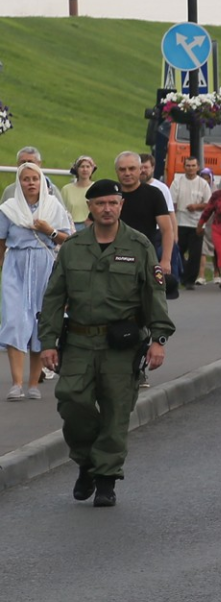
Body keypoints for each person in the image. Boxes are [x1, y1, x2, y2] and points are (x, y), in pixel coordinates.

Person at [38, 179, 174, 507]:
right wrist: (48, 341)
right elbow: (54, 297)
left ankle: (105, 480)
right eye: (101, 204)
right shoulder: (73, 247)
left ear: (121, 206)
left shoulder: (139, 246)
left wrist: (158, 339)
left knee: (115, 412)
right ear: (91, 208)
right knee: (72, 402)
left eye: (113, 203)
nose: (108, 209)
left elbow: (154, 295)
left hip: (121, 346)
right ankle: (87, 462)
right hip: (80, 342)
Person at [3, 163, 75, 400]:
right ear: (19, 182)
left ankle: (34, 383)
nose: (31, 183)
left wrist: (49, 229)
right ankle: (16, 383)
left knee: (40, 321)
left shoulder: (52, 207)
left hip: (44, 266)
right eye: (26, 179)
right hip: (16, 266)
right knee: (14, 320)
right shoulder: (8, 208)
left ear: (42, 181)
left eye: (35, 178)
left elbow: (68, 239)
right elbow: (1, 241)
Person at [110, 152, 175, 307]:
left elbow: (167, 229)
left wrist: (165, 260)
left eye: (132, 169)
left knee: (147, 303)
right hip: (114, 258)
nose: (127, 173)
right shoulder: (111, 196)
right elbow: (91, 224)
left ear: (140, 170)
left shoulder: (153, 194)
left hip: (145, 258)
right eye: (122, 169)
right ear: (117, 172)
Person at [168, 156, 212, 290]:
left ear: (198, 167)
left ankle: (190, 280)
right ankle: (181, 274)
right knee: (178, 251)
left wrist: (196, 206)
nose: (191, 168)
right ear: (184, 167)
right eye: (188, 165)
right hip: (180, 222)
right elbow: (172, 203)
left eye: (193, 166)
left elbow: (209, 204)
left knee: (195, 254)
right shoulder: (177, 182)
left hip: (197, 224)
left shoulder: (203, 184)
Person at [61, 157, 96, 223]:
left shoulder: (96, 187)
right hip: (71, 226)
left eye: (88, 167)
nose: (85, 169)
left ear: (92, 169)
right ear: (77, 169)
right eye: (82, 167)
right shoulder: (66, 189)